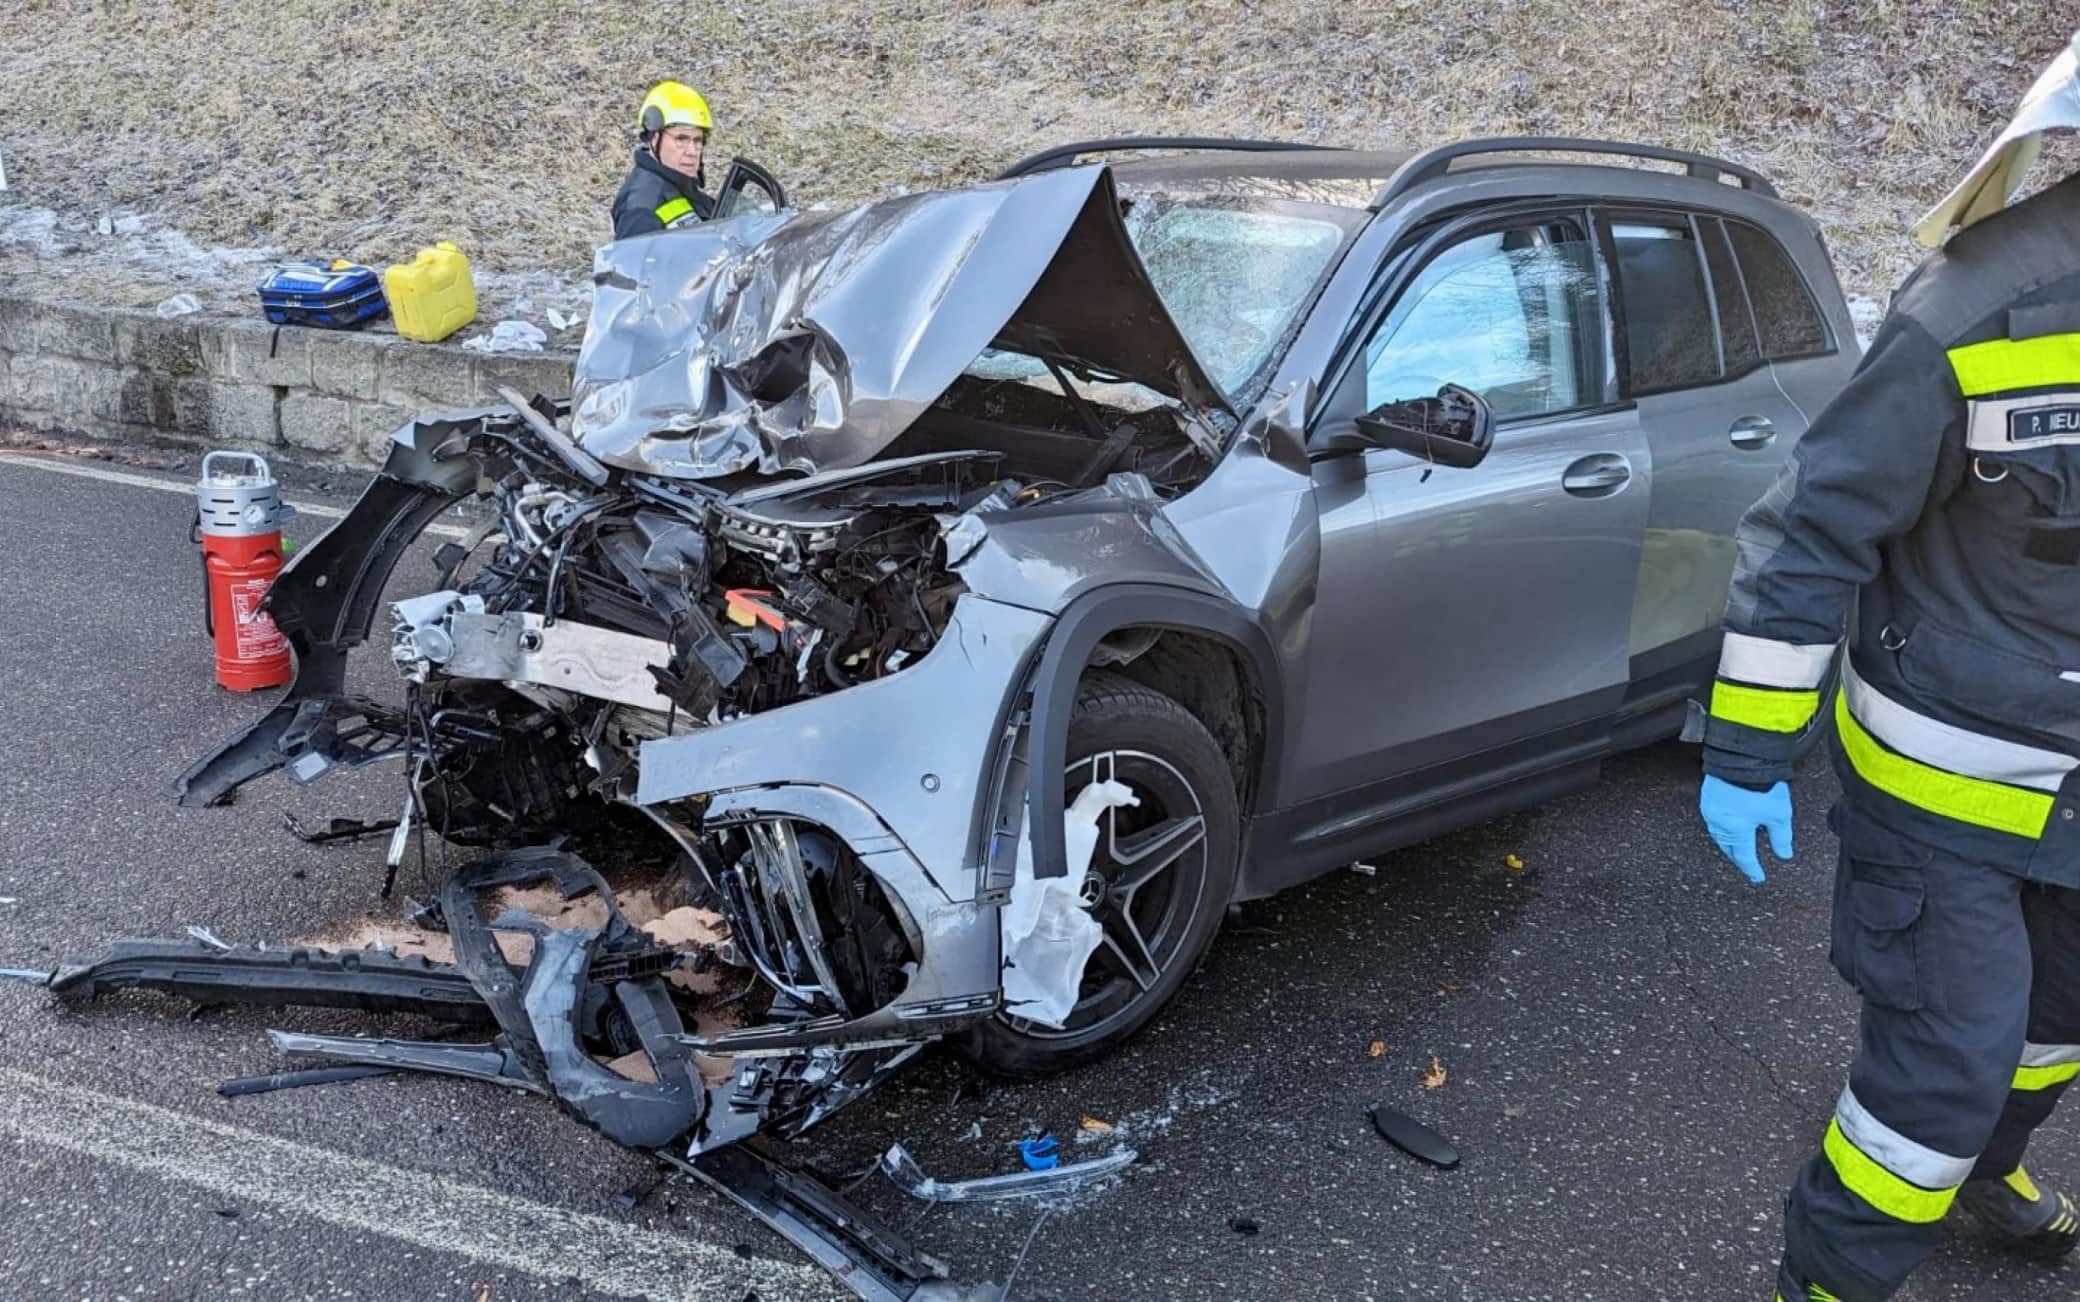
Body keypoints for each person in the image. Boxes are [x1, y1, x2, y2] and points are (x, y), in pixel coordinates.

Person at [1692, 32, 2080, 1300]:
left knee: (2052, 1032)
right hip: (1945, 789)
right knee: (1941, 1075)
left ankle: (1985, 1168)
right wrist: (1750, 751)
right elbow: (1812, 531)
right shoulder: (1977, 304)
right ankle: (1828, 1280)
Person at [610, 81, 716, 240]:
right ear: (655, 139)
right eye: (681, 139)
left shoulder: (679, 185)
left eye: (698, 140)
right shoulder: (641, 208)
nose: (692, 151)